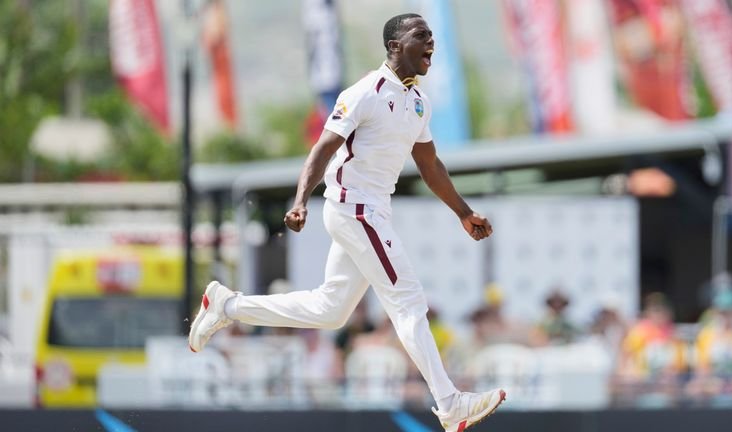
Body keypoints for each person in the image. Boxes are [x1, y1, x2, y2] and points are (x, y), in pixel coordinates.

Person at [188, 13, 505, 431]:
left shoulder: (418, 102)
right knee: (408, 302)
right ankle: (450, 403)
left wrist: (463, 212)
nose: (431, 42)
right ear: (395, 45)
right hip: (354, 208)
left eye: (432, 35)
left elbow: (430, 166)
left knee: (330, 310)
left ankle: (227, 305)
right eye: (421, 35)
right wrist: (300, 201)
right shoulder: (364, 92)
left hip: (371, 212)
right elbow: (322, 149)